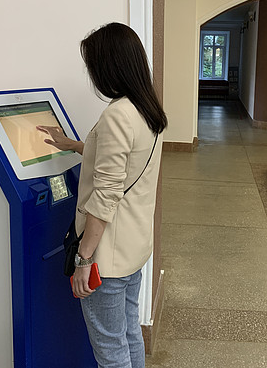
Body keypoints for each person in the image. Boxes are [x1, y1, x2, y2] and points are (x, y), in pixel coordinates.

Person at [37, 22, 166, 368]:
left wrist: (84, 259)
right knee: (129, 333)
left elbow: (106, 194)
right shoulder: (146, 109)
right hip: (133, 247)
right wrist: (75, 146)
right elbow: (123, 162)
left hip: (106, 256)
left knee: (110, 349)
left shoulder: (116, 115)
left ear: (109, 66)